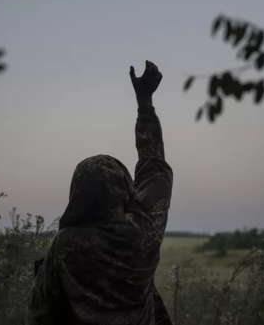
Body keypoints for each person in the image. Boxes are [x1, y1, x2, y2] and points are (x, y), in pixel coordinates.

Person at [27, 60, 174, 325]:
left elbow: (40, 315)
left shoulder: (64, 246)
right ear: (125, 190)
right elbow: (154, 167)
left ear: (78, 193)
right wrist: (145, 102)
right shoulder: (144, 233)